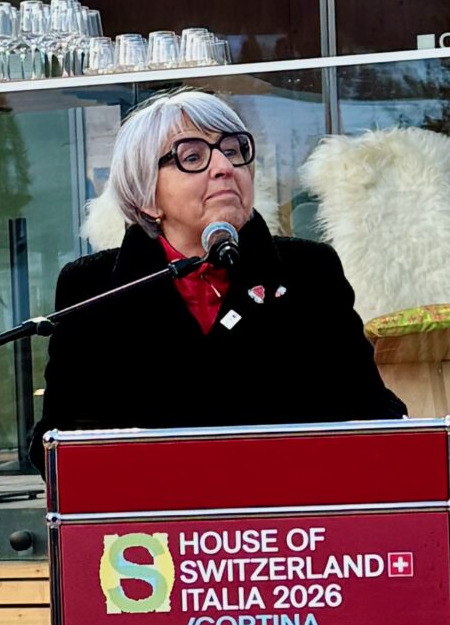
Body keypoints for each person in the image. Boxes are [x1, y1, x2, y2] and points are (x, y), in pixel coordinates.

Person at [28, 89, 406, 472]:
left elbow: (371, 409)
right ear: (146, 196)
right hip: (152, 523)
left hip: (290, 515)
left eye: (235, 150)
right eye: (192, 157)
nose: (225, 167)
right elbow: (62, 439)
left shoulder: (309, 270)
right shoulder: (92, 287)